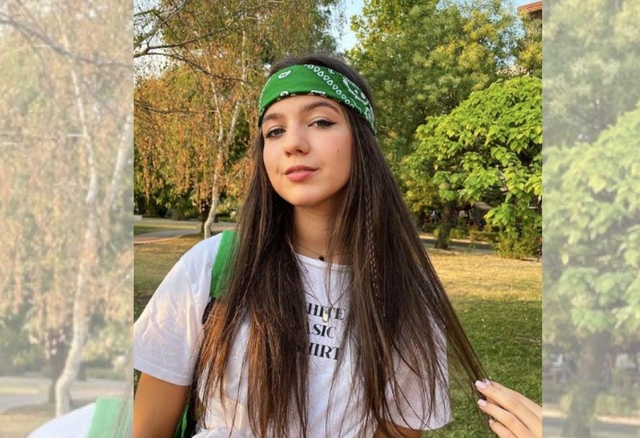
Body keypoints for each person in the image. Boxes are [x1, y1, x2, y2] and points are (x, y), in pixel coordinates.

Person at [133, 54, 541, 438]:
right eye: (274, 130)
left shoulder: (407, 294)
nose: (292, 142)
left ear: (361, 141)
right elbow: (148, 430)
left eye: (321, 122)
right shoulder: (213, 266)